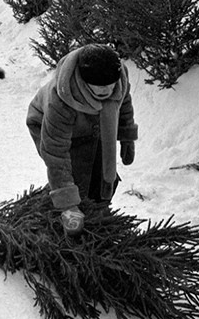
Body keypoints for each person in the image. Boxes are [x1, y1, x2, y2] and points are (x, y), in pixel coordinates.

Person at [26, 44, 138, 237]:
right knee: (77, 169)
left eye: (109, 85)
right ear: (85, 81)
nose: (105, 90)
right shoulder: (60, 100)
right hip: (48, 123)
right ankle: (62, 212)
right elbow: (57, 154)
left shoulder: (119, 79)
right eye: (98, 86)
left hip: (96, 120)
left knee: (103, 166)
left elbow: (123, 102)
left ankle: (99, 207)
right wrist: (68, 205)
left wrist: (127, 136)